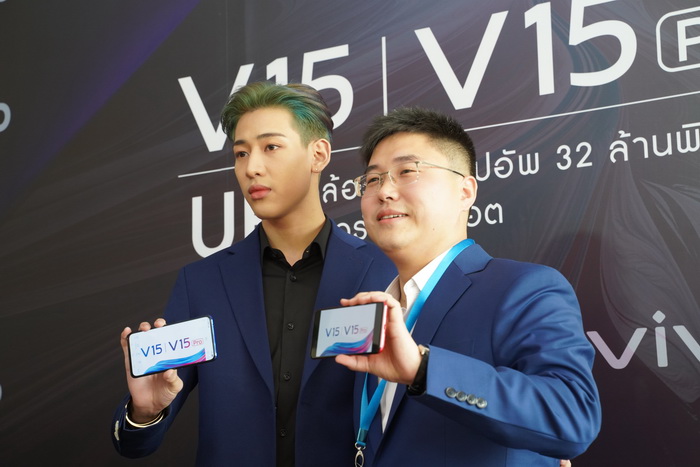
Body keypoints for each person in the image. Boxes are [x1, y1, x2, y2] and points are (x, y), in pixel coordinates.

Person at [111, 82, 396, 466]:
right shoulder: (203, 282)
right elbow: (135, 443)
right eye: (241, 153)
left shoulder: (383, 272)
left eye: (270, 147)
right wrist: (144, 412)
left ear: (318, 154)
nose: (251, 168)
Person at [336, 107, 601, 466]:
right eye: (372, 179)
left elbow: (572, 416)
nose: (384, 191)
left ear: (465, 191)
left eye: (407, 171)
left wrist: (423, 368)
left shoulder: (524, 288)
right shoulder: (372, 310)